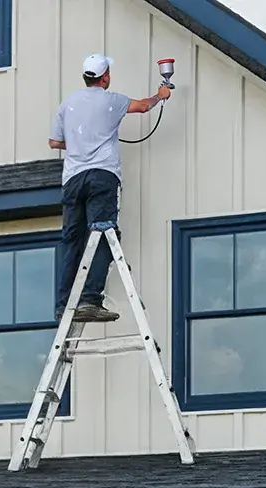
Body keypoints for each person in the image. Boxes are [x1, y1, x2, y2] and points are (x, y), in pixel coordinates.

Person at [49, 54, 172, 323]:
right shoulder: (111, 100)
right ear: (104, 77)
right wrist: (160, 95)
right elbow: (143, 107)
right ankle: (90, 299)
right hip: (102, 176)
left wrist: (80, 143)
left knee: (72, 239)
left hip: (72, 180)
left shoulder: (67, 104)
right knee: (104, 233)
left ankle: (63, 305)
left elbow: (54, 142)